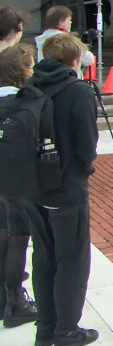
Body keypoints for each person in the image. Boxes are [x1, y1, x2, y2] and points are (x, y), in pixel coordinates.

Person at [23, 33, 100, 346]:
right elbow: (87, 144)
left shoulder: (29, 88)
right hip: (67, 186)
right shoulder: (77, 91)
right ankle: (67, 328)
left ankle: (46, 326)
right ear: (73, 60)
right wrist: (84, 167)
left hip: (32, 187)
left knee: (43, 257)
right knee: (72, 258)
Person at [0, 44, 39, 328]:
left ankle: (5, 298)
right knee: (18, 237)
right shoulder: (24, 102)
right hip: (18, 182)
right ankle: (15, 301)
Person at [34, 6, 94, 79]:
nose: (71, 22)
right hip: (68, 81)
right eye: (69, 19)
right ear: (61, 22)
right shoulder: (66, 40)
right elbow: (89, 59)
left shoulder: (41, 40)